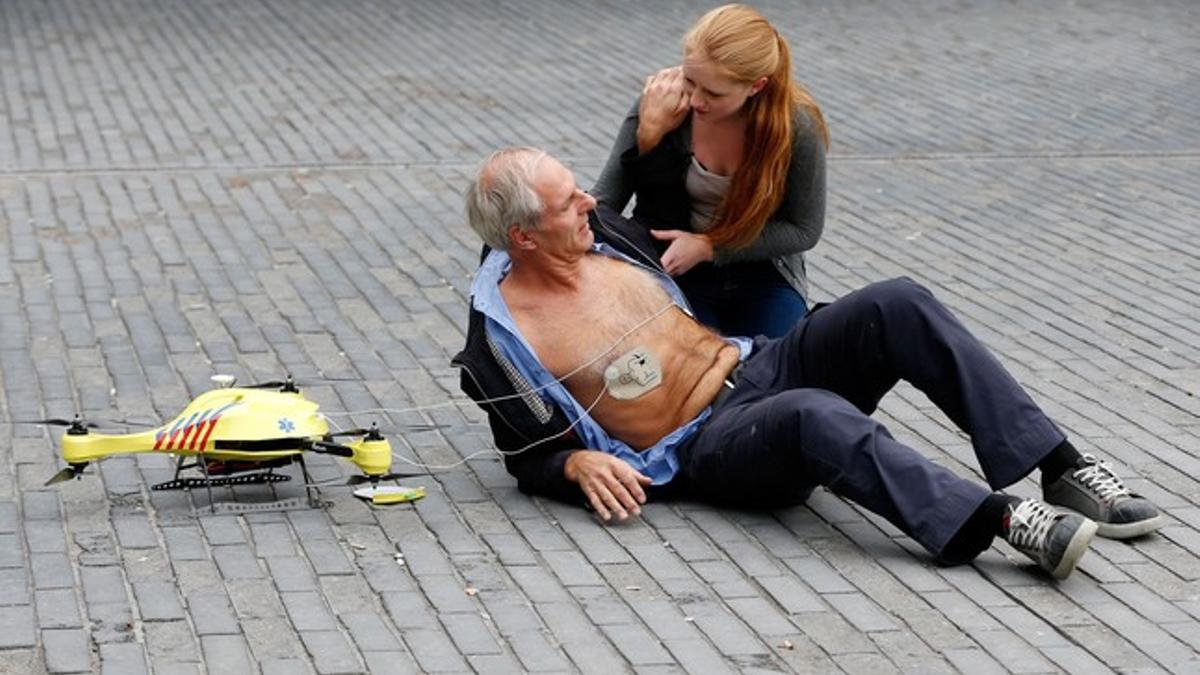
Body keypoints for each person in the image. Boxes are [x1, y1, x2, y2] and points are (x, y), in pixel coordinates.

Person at [454, 148, 1165, 579]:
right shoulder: (503, 342)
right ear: (523, 235)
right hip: (712, 445)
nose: (590, 201)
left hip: (759, 362)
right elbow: (523, 452)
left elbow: (657, 183)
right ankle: (1002, 521)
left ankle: (1061, 465)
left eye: (582, 190)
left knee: (897, 302)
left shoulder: (600, 233)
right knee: (812, 415)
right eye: (569, 201)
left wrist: (650, 128)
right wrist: (574, 465)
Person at [592, 4, 828, 339]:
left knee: (780, 368)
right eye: (690, 80)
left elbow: (804, 230)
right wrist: (648, 136)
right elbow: (604, 202)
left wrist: (709, 246)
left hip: (762, 271)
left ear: (756, 86)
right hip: (679, 270)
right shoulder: (662, 102)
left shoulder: (795, 125)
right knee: (694, 372)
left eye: (714, 93)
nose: (695, 100)